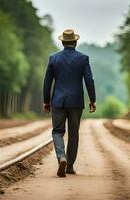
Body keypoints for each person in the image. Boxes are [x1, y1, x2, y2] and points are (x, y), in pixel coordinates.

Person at [43, 29, 96, 177]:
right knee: (74, 134)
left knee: (57, 132)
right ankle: (70, 166)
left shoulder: (53, 58)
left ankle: (61, 157)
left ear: (62, 42)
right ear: (75, 42)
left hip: (58, 101)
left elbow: (47, 82)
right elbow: (89, 80)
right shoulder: (83, 58)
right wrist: (92, 100)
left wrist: (46, 101)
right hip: (76, 102)